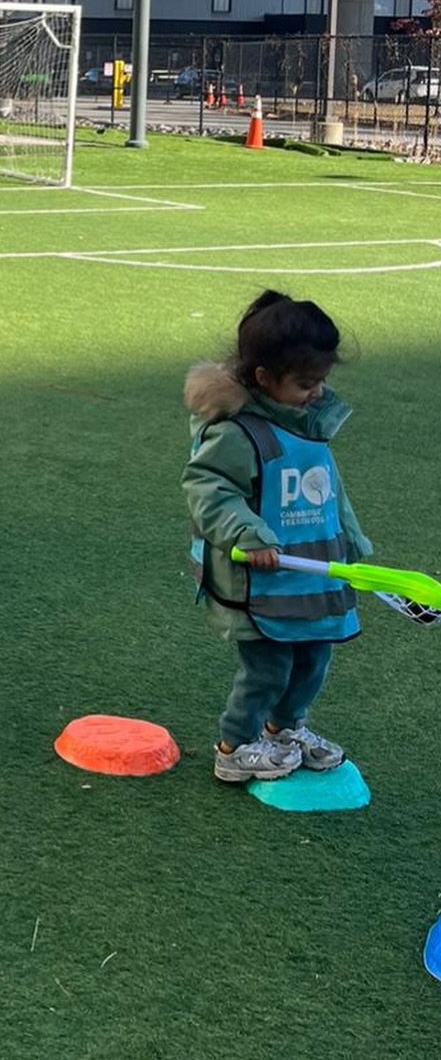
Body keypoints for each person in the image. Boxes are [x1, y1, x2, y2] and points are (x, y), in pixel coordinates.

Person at [182, 290, 372, 785]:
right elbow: (209, 489)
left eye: (322, 381)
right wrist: (248, 532)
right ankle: (235, 745)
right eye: (307, 383)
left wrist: (351, 538)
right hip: (260, 582)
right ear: (264, 379)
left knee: (313, 659)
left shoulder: (306, 427)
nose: (317, 393)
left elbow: (328, 491)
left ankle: (285, 729)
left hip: (311, 580)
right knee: (268, 668)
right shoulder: (237, 434)